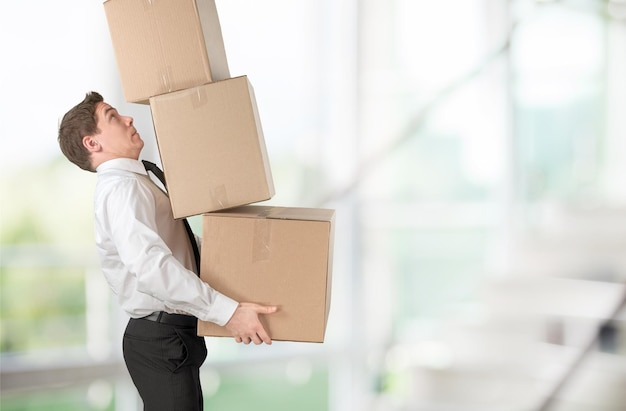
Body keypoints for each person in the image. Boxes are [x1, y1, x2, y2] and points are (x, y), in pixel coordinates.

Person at [57, 91, 277, 410]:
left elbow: (178, 249)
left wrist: (240, 262)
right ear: (93, 143)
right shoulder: (122, 189)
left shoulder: (138, 180)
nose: (128, 118)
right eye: (113, 117)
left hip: (171, 334)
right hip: (160, 337)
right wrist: (227, 312)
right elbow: (151, 269)